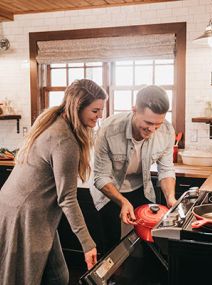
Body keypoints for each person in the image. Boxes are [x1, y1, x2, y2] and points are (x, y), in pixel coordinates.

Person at [0, 79, 108, 285]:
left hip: (20, 207)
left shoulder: (57, 120)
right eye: (95, 110)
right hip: (25, 214)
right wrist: (87, 244)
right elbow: (67, 198)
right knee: (24, 278)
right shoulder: (65, 139)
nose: (99, 116)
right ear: (78, 106)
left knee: (58, 276)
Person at [92, 85, 176, 252]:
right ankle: (113, 278)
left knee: (151, 241)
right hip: (110, 190)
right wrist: (123, 202)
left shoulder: (166, 131)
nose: (152, 130)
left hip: (141, 188)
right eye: (148, 123)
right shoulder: (109, 129)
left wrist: (171, 197)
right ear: (134, 110)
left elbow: (166, 169)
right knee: (112, 245)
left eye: (157, 124)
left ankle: (148, 275)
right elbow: (101, 176)